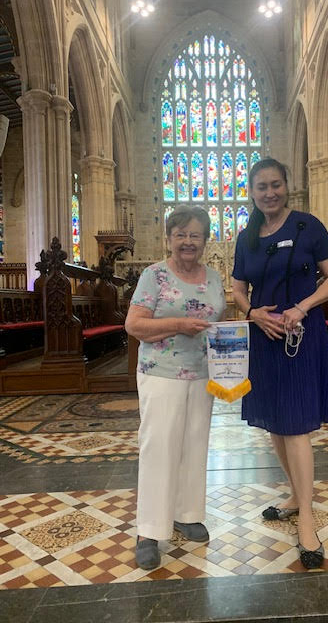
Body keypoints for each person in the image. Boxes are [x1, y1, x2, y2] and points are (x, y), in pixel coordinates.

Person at [231, 158, 328, 569]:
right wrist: (251, 313)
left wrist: (302, 306)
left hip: (299, 335)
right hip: (265, 338)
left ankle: (308, 517)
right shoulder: (247, 236)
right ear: (253, 191)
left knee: (296, 424)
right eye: (261, 186)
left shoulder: (307, 226)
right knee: (275, 422)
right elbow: (238, 287)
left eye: (276, 184)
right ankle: (297, 496)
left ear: (287, 185)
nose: (269, 193)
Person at [125, 205, 226, 570]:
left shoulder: (213, 277)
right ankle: (149, 531)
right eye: (180, 234)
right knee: (159, 447)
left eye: (195, 235)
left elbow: (218, 322)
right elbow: (134, 326)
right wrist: (179, 324)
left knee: (194, 443)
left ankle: (186, 513)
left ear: (204, 240)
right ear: (168, 238)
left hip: (202, 374)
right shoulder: (154, 276)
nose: (187, 241)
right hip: (161, 371)